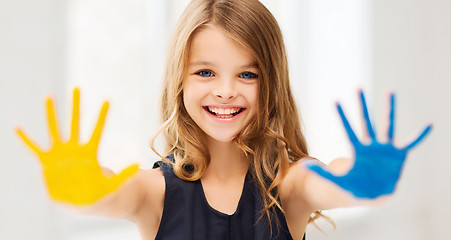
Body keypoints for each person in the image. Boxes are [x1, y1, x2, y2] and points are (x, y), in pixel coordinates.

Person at [16, 0, 432, 239]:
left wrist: (361, 181)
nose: (226, 91)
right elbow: (113, 194)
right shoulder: (155, 193)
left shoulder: (288, 186)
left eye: (247, 74)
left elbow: (331, 182)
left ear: (271, 83)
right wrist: (82, 188)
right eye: (205, 72)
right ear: (179, 80)